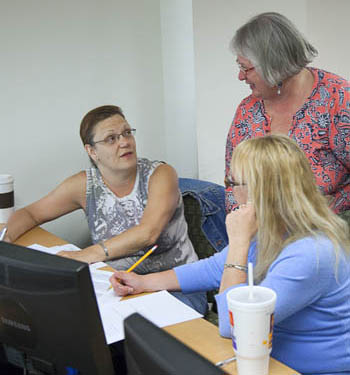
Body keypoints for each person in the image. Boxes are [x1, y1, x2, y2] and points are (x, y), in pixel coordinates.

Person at [110, 135, 350, 375]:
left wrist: (238, 242)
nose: (232, 191)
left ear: (259, 190)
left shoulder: (311, 253)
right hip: (268, 360)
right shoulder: (278, 228)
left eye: (232, 181)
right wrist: (143, 282)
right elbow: (213, 268)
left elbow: (233, 326)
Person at [4, 105, 207, 314]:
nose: (124, 142)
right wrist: (5, 239)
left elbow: (148, 233)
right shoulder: (84, 185)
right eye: (111, 138)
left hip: (175, 287)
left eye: (127, 133)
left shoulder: (161, 174)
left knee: (135, 337)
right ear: (91, 151)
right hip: (115, 286)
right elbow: (31, 213)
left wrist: (86, 254)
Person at [225, 12, 350, 221]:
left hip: (329, 227)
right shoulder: (248, 111)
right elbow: (232, 184)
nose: (240, 76)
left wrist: (326, 210)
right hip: (263, 231)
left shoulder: (337, 100)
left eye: (245, 68)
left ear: (273, 64)